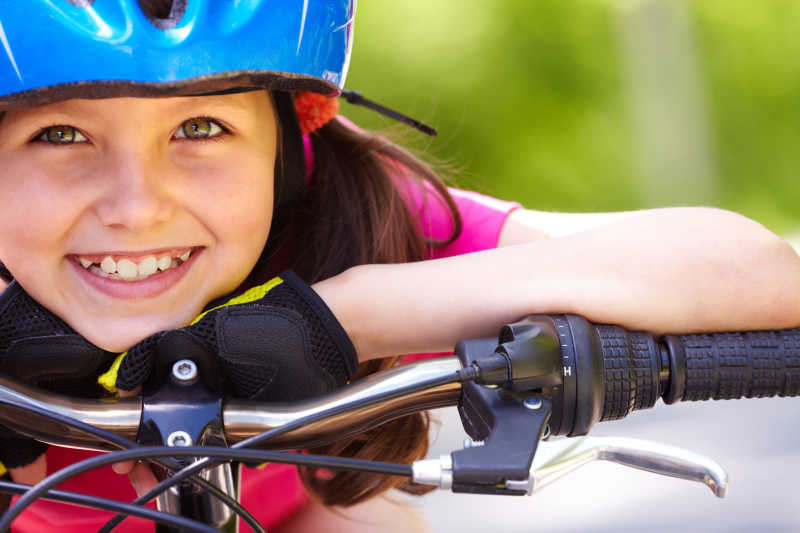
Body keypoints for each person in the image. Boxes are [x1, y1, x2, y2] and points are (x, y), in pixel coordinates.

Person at [0, 1, 798, 531]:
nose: (138, 207)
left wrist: (351, 313)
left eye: (201, 127)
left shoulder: (341, 210)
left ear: (289, 151)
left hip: (291, 511)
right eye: (61, 136)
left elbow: (762, 271)